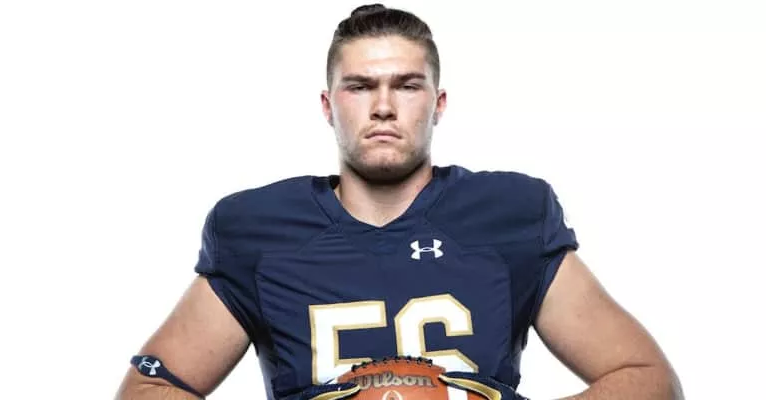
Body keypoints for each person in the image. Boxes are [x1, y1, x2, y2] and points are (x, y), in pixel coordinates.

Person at [115, 4, 683, 400]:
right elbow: (149, 387)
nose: (383, 106)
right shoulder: (259, 228)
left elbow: (650, 380)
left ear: (438, 103)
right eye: (360, 86)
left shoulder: (510, 213)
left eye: (407, 86)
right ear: (328, 105)